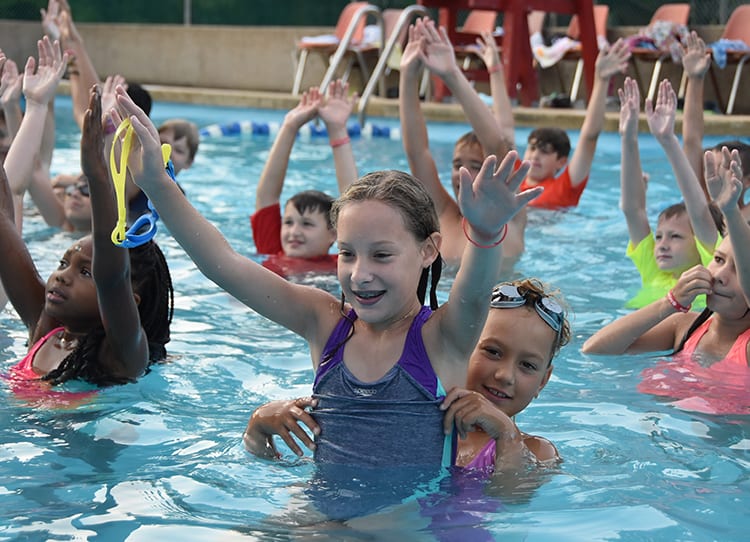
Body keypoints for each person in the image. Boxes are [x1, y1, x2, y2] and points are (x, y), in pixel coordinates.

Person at [115, 82, 540, 468]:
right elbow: (223, 265)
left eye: (382, 255)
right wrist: (156, 183)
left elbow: (473, 291)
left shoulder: (442, 339)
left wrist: (485, 233)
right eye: (347, 253)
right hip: (315, 518)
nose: (360, 274)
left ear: (429, 251)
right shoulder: (326, 322)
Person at [245, 277, 571, 473]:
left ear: (544, 380)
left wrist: (506, 434)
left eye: (527, 365)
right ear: (458, 344)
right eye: (492, 352)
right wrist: (258, 429)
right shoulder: (404, 420)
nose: (504, 375)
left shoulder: (537, 452)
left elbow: (512, 499)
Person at [1, 86, 174, 387]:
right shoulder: (46, 327)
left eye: (85, 271)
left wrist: (97, 175)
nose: (61, 277)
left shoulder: (122, 355)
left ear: (128, 303)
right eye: (63, 263)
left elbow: (112, 277)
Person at [582, 149, 750, 414]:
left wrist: (729, 211)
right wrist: (670, 302)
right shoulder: (685, 327)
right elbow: (596, 349)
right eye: (717, 259)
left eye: (739, 269)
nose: (719, 275)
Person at [399, 18, 520, 273]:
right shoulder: (444, 215)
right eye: (457, 164)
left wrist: (451, 75)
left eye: (475, 166)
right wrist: (408, 76)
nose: (462, 173)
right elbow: (417, 152)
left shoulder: (509, 216)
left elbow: (496, 142)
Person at [619, 77, 722, 309]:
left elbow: (698, 210)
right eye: (659, 237)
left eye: (675, 236)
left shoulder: (711, 275)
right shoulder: (655, 271)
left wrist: (668, 141)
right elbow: (632, 210)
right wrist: (628, 138)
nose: (662, 245)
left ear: (701, 245)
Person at [251, 79, 358, 278]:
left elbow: (356, 207)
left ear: (334, 233)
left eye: (307, 224)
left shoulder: (342, 265)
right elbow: (266, 196)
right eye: (288, 222)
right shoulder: (272, 249)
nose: (294, 232)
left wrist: (337, 129)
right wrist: (290, 126)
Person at [516, 39, 630, 210]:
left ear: (561, 162)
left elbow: (589, 137)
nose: (535, 155)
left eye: (545, 151)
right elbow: (499, 132)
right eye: (532, 148)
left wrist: (601, 80)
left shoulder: (565, 187)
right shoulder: (513, 178)